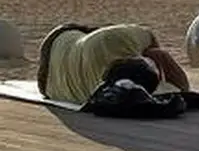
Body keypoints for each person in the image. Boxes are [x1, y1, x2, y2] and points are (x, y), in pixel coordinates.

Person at [37, 23, 190, 104]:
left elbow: (156, 50)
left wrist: (154, 56)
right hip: (49, 81)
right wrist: (159, 58)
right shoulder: (103, 92)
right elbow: (183, 87)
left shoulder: (129, 36)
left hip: (61, 41)